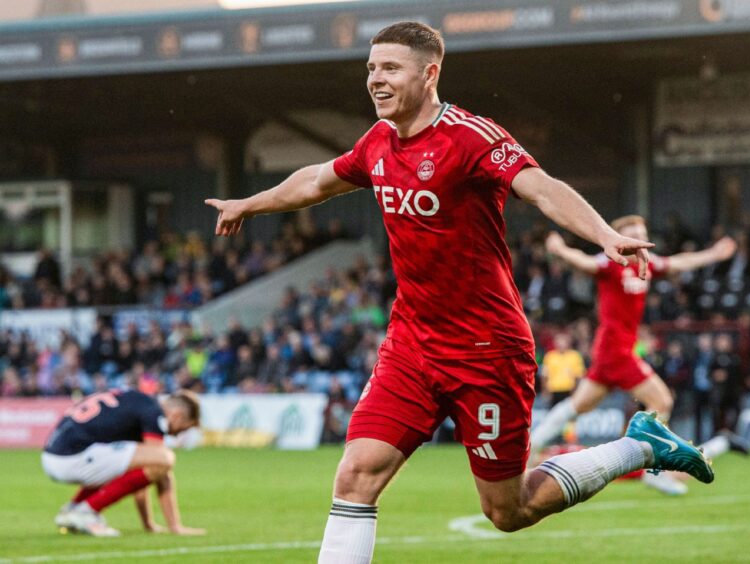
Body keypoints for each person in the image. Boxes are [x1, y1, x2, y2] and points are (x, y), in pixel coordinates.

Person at [205, 21, 713, 563]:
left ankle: (639, 447)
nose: (376, 79)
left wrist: (605, 234)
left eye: (390, 68)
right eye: (372, 68)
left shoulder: (471, 137)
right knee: (356, 475)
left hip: (486, 349)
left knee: (508, 510)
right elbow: (315, 181)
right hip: (412, 345)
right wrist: (248, 204)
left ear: (430, 73)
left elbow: (540, 188)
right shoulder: (377, 143)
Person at [533, 219, 749, 495]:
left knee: (578, 406)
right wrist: (561, 250)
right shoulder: (611, 261)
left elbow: (678, 263)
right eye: (632, 234)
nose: (639, 238)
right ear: (619, 239)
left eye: (643, 234)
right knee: (661, 401)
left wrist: (713, 254)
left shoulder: (646, 264)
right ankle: (652, 471)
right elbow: (584, 262)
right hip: (616, 351)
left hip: (613, 351)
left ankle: (531, 444)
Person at [41, 389, 205, 537]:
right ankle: (85, 512)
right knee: (165, 458)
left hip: (54, 454)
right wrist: (174, 526)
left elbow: (141, 475)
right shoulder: (154, 412)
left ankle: (73, 509)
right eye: (183, 428)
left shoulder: (135, 400)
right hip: (71, 457)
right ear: (177, 415)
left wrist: (148, 524)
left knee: (144, 460)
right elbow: (160, 466)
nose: (176, 436)